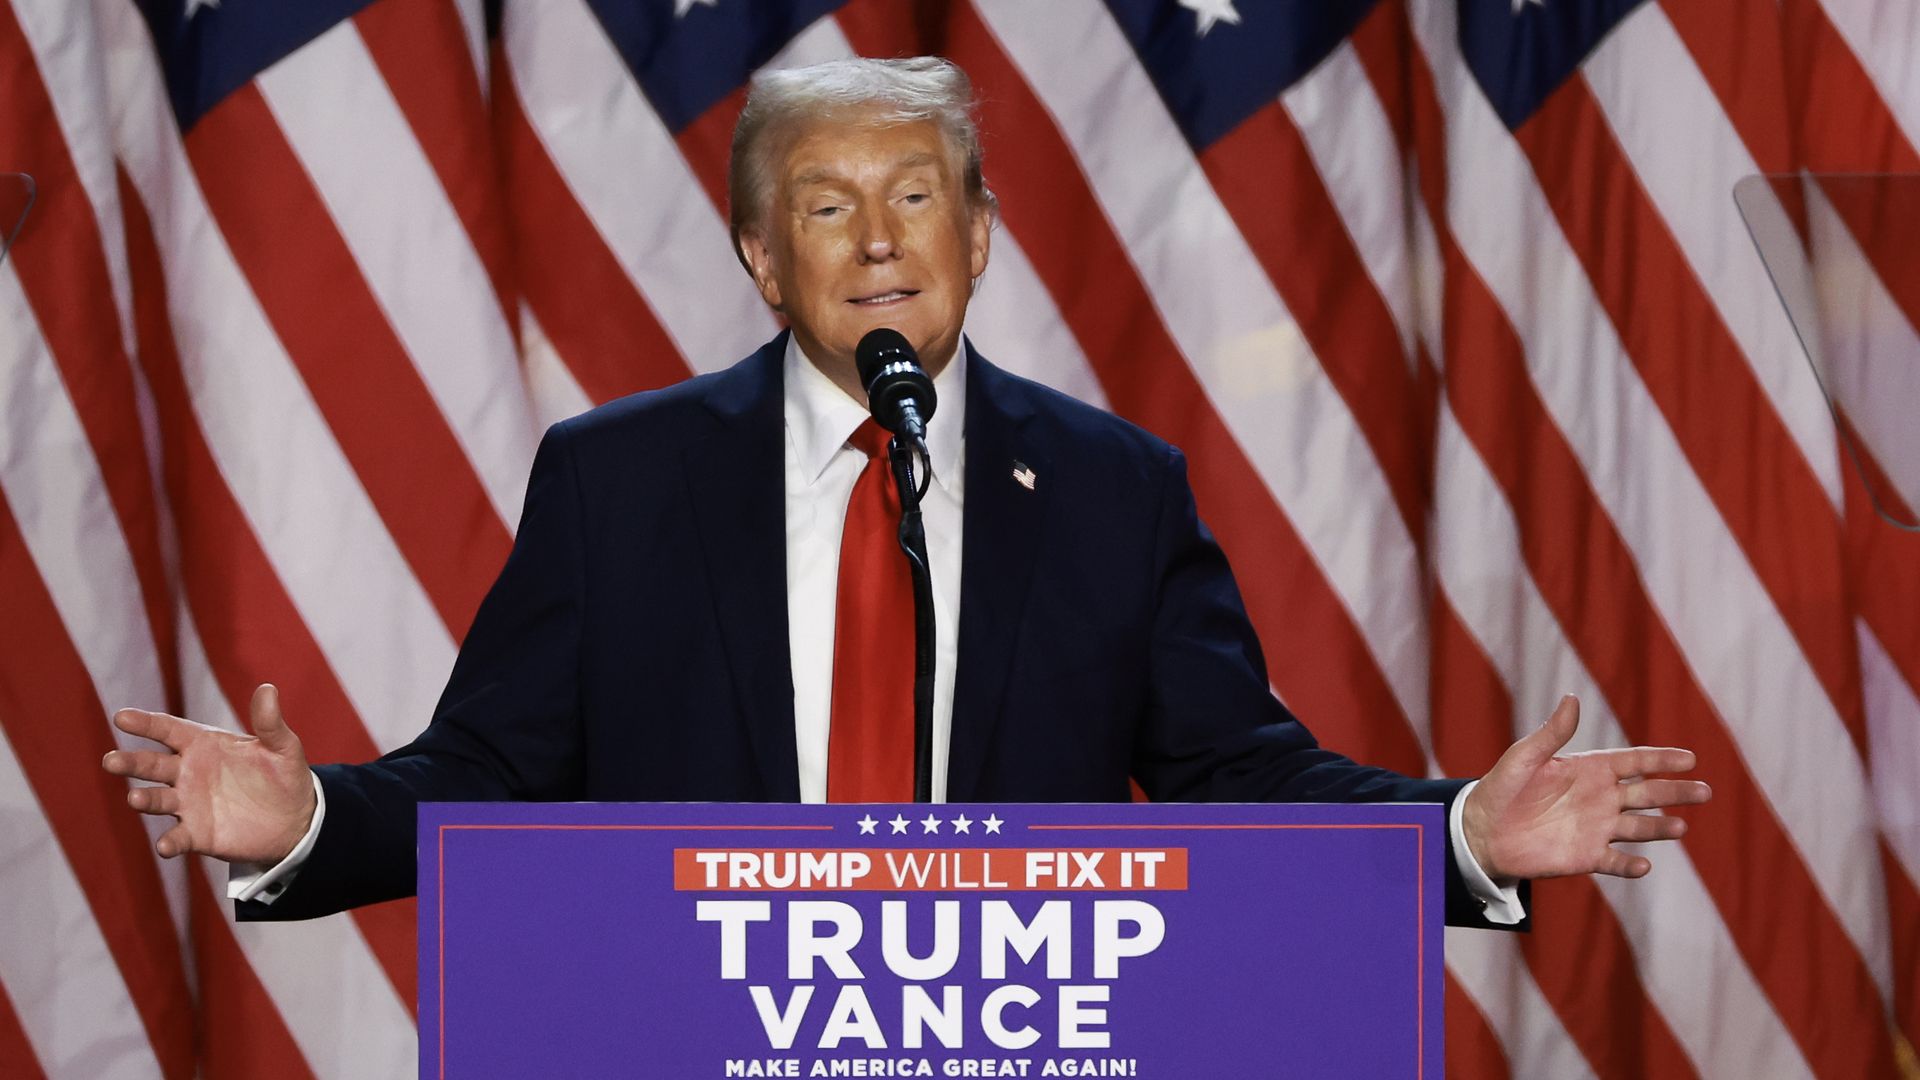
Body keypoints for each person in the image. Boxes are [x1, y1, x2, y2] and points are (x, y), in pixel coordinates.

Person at [101, 57, 1708, 929]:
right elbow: (490, 774)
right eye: (827, 205)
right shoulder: (620, 482)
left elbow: (1244, 778)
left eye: (917, 196)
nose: (878, 238)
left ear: (980, 235)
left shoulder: (1109, 490)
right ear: (758, 259)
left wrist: (1459, 838)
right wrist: (305, 819)